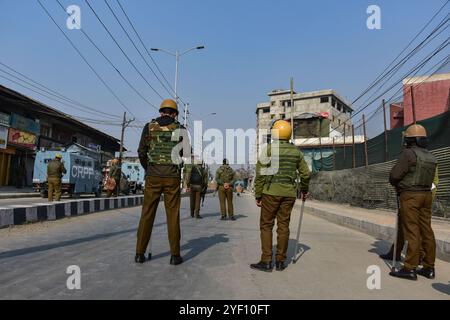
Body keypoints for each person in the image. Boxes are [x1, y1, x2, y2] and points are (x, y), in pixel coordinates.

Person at [250, 120, 310, 272]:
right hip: (289, 194)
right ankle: (281, 261)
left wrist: (258, 195)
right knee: (283, 226)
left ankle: (267, 260)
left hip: (270, 193)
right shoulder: (296, 152)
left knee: (266, 225)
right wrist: (304, 190)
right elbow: (305, 173)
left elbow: (260, 173)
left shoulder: (269, 150)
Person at [135, 99, 189, 265]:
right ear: (174, 114)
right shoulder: (181, 128)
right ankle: (174, 255)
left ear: (161, 112)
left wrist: (149, 169)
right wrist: (177, 165)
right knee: (172, 215)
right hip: (172, 176)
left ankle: (139, 254)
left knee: (147, 214)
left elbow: (141, 152)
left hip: (153, 175)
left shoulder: (149, 127)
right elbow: (186, 154)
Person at [389, 124, 437, 281]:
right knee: (427, 231)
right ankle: (429, 267)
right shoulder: (430, 156)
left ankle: (409, 268)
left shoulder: (408, 154)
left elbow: (395, 175)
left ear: (410, 140)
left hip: (410, 196)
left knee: (412, 231)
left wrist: (396, 183)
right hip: (426, 196)